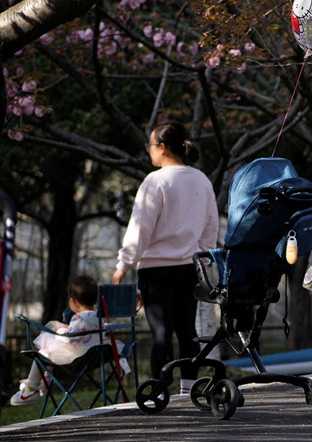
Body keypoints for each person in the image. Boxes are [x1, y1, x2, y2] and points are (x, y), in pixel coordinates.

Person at [113, 119, 219, 394]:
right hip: (190, 266)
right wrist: (205, 256)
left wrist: (123, 264)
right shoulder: (202, 180)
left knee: (162, 333)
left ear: (161, 147)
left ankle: (159, 387)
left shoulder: (154, 181)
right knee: (188, 331)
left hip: (156, 269)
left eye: (150, 145)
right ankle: (188, 387)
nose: (149, 150)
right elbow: (211, 223)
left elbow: (140, 227)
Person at [10, 276, 124, 405]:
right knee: (49, 352)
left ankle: (31, 389)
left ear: (73, 301)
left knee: (42, 353)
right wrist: (69, 328)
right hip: (90, 357)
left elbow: (69, 339)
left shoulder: (79, 318)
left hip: (75, 360)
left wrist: (60, 329)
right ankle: (44, 380)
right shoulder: (99, 317)